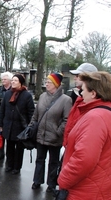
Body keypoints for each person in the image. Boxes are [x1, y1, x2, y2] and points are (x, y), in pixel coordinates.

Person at [58, 71, 111, 200]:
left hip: (85, 190)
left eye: (83, 90)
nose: (81, 93)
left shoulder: (95, 117)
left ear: (93, 93)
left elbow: (84, 159)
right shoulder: (105, 113)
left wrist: (63, 180)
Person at [30, 73, 72, 193]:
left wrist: (58, 132)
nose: (46, 84)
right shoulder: (43, 96)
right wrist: (32, 127)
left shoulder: (66, 100)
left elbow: (67, 120)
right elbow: (35, 115)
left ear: (56, 84)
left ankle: (51, 184)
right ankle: (37, 181)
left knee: (53, 161)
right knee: (40, 159)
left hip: (55, 138)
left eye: (49, 82)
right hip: (40, 135)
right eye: (46, 81)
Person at [0, 74, 35, 174]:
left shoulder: (26, 95)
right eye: (12, 80)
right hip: (8, 125)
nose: (13, 82)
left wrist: (30, 126)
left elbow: (31, 112)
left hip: (20, 127)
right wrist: (0, 123)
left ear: (21, 82)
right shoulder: (8, 94)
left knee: (19, 149)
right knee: (9, 147)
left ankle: (17, 167)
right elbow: (2, 110)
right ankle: (9, 165)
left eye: (15, 80)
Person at [63, 63, 98, 147]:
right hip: (71, 144)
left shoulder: (92, 101)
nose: (75, 78)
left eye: (78, 75)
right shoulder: (78, 95)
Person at [0, 72, 13, 161]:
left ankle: (9, 155)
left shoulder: (13, 91)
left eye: (5, 79)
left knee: (8, 138)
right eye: (2, 79)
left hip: (9, 118)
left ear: (10, 80)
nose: (3, 81)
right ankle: (0, 154)